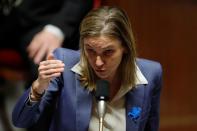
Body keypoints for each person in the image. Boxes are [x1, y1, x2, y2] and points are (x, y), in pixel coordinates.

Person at [12, 6, 163, 131]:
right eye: (90, 50)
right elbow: (21, 121)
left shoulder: (151, 74)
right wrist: (38, 87)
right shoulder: (64, 64)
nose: (98, 62)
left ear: (125, 47)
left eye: (108, 52)